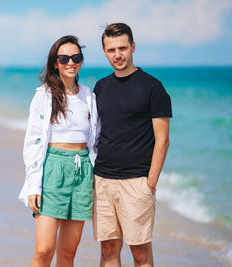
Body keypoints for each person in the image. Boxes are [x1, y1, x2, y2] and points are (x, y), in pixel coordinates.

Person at [92, 23, 172, 267]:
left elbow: (163, 140)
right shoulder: (101, 87)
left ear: (133, 47)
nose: (118, 54)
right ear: (105, 52)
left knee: (140, 253)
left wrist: (150, 183)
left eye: (123, 48)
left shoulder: (153, 87)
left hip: (137, 182)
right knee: (108, 249)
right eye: (112, 49)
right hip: (103, 180)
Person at [18, 35, 99, 267]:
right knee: (44, 250)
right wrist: (33, 184)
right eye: (64, 58)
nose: (70, 62)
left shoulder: (88, 95)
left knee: (68, 253)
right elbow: (33, 141)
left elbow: (98, 140)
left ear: (81, 61)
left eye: (76, 57)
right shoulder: (43, 95)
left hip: (82, 171)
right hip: (52, 170)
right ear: (55, 62)